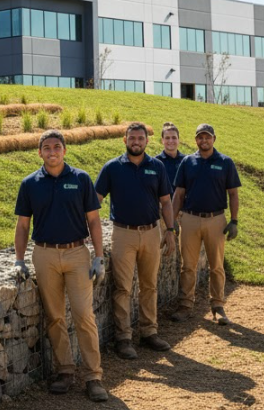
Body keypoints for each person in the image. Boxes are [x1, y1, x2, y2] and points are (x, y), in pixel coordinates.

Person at [12, 129, 108, 402]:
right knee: (54, 316)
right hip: (44, 255)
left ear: (64, 150)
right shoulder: (30, 183)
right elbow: (22, 225)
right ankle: (65, 371)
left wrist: (98, 257)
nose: (52, 152)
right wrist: (19, 260)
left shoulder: (80, 179)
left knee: (83, 315)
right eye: (47, 148)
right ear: (39, 152)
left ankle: (94, 377)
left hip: (77, 253)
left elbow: (94, 221)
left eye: (57, 147)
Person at [95, 122, 177, 360]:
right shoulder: (112, 168)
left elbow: (166, 202)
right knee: (123, 288)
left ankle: (149, 332)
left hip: (152, 232)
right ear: (125, 140)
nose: (136, 142)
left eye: (140, 138)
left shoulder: (157, 167)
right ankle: (124, 338)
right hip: (123, 234)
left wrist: (170, 230)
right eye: (132, 138)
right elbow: (95, 200)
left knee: (149, 285)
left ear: (147, 141)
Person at [170, 124, 241, 325]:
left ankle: (218, 306)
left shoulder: (225, 162)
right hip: (189, 219)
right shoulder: (187, 162)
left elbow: (233, 194)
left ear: (214, 139)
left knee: (216, 266)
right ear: (196, 140)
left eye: (207, 137)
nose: (204, 141)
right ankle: (185, 305)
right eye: (200, 137)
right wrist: (172, 221)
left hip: (216, 220)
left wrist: (234, 220)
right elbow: (178, 194)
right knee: (187, 266)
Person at [156, 122, 186, 196]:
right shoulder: (155, 162)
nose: (171, 141)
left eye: (174, 137)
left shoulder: (186, 161)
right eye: (167, 138)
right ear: (162, 140)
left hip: (183, 206)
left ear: (178, 140)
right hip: (162, 206)